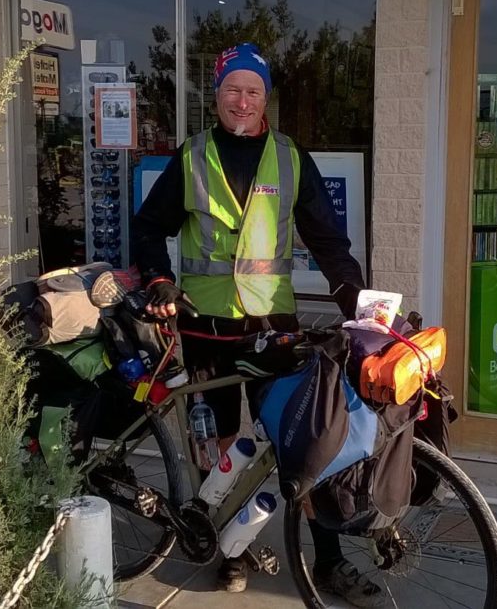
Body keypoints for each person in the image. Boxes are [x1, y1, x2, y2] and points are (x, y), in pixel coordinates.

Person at [132, 42, 383, 607]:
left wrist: (360, 310)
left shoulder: (291, 159)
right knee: (219, 449)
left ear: (265, 97)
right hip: (205, 329)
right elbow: (148, 228)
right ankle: (230, 549)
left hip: (275, 327)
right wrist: (159, 281)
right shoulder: (192, 157)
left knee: (306, 443)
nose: (242, 101)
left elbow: (329, 244)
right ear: (215, 96)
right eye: (231, 90)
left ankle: (330, 561)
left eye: (253, 91)